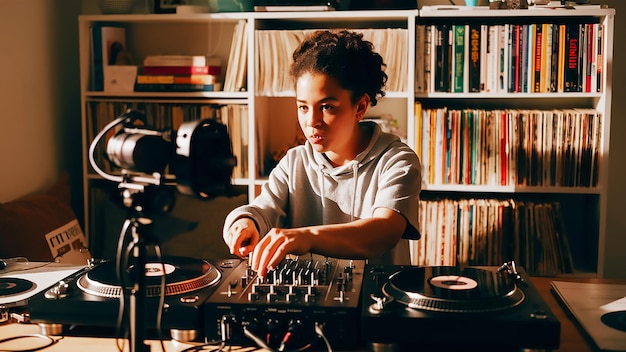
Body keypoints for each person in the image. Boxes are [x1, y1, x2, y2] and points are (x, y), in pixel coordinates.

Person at [222, 29, 421, 278]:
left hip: (378, 302)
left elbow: (385, 231)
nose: (312, 121)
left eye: (327, 107)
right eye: (303, 107)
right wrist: (244, 223)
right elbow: (261, 210)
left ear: (360, 106)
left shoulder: (397, 160)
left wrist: (306, 237)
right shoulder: (293, 162)